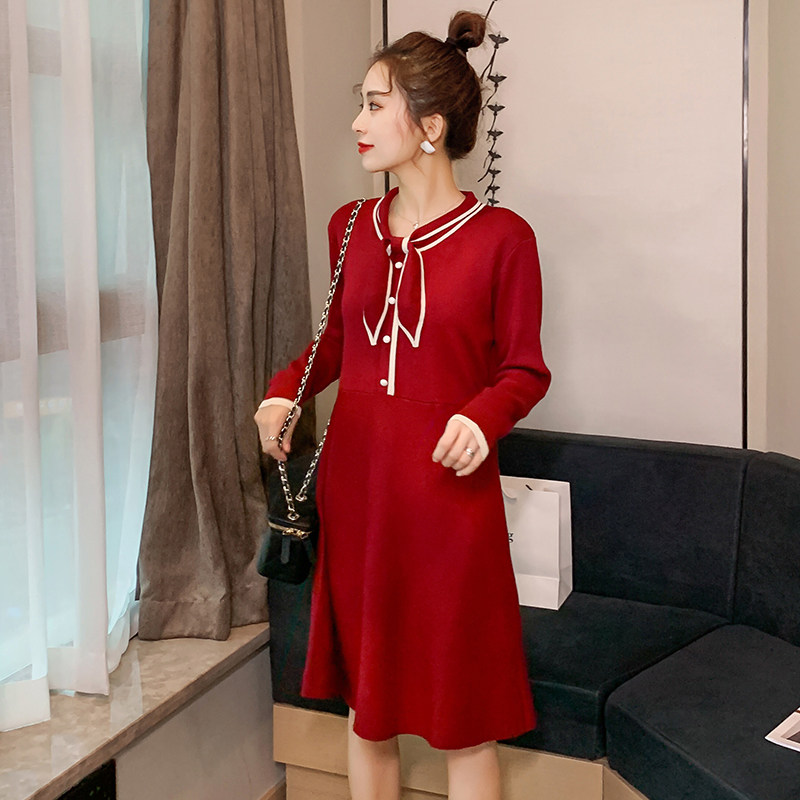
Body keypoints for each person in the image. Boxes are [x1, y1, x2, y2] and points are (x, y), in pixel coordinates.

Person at [254, 10, 551, 800]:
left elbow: (524, 370)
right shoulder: (349, 226)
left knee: (465, 721)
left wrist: (480, 416)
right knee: (368, 713)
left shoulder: (503, 239)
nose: (357, 122)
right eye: (361, 103)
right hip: (358, 495)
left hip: (449, 502)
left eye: (375, 104)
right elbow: (336, 346)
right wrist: (283, 393)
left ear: (430, 126)